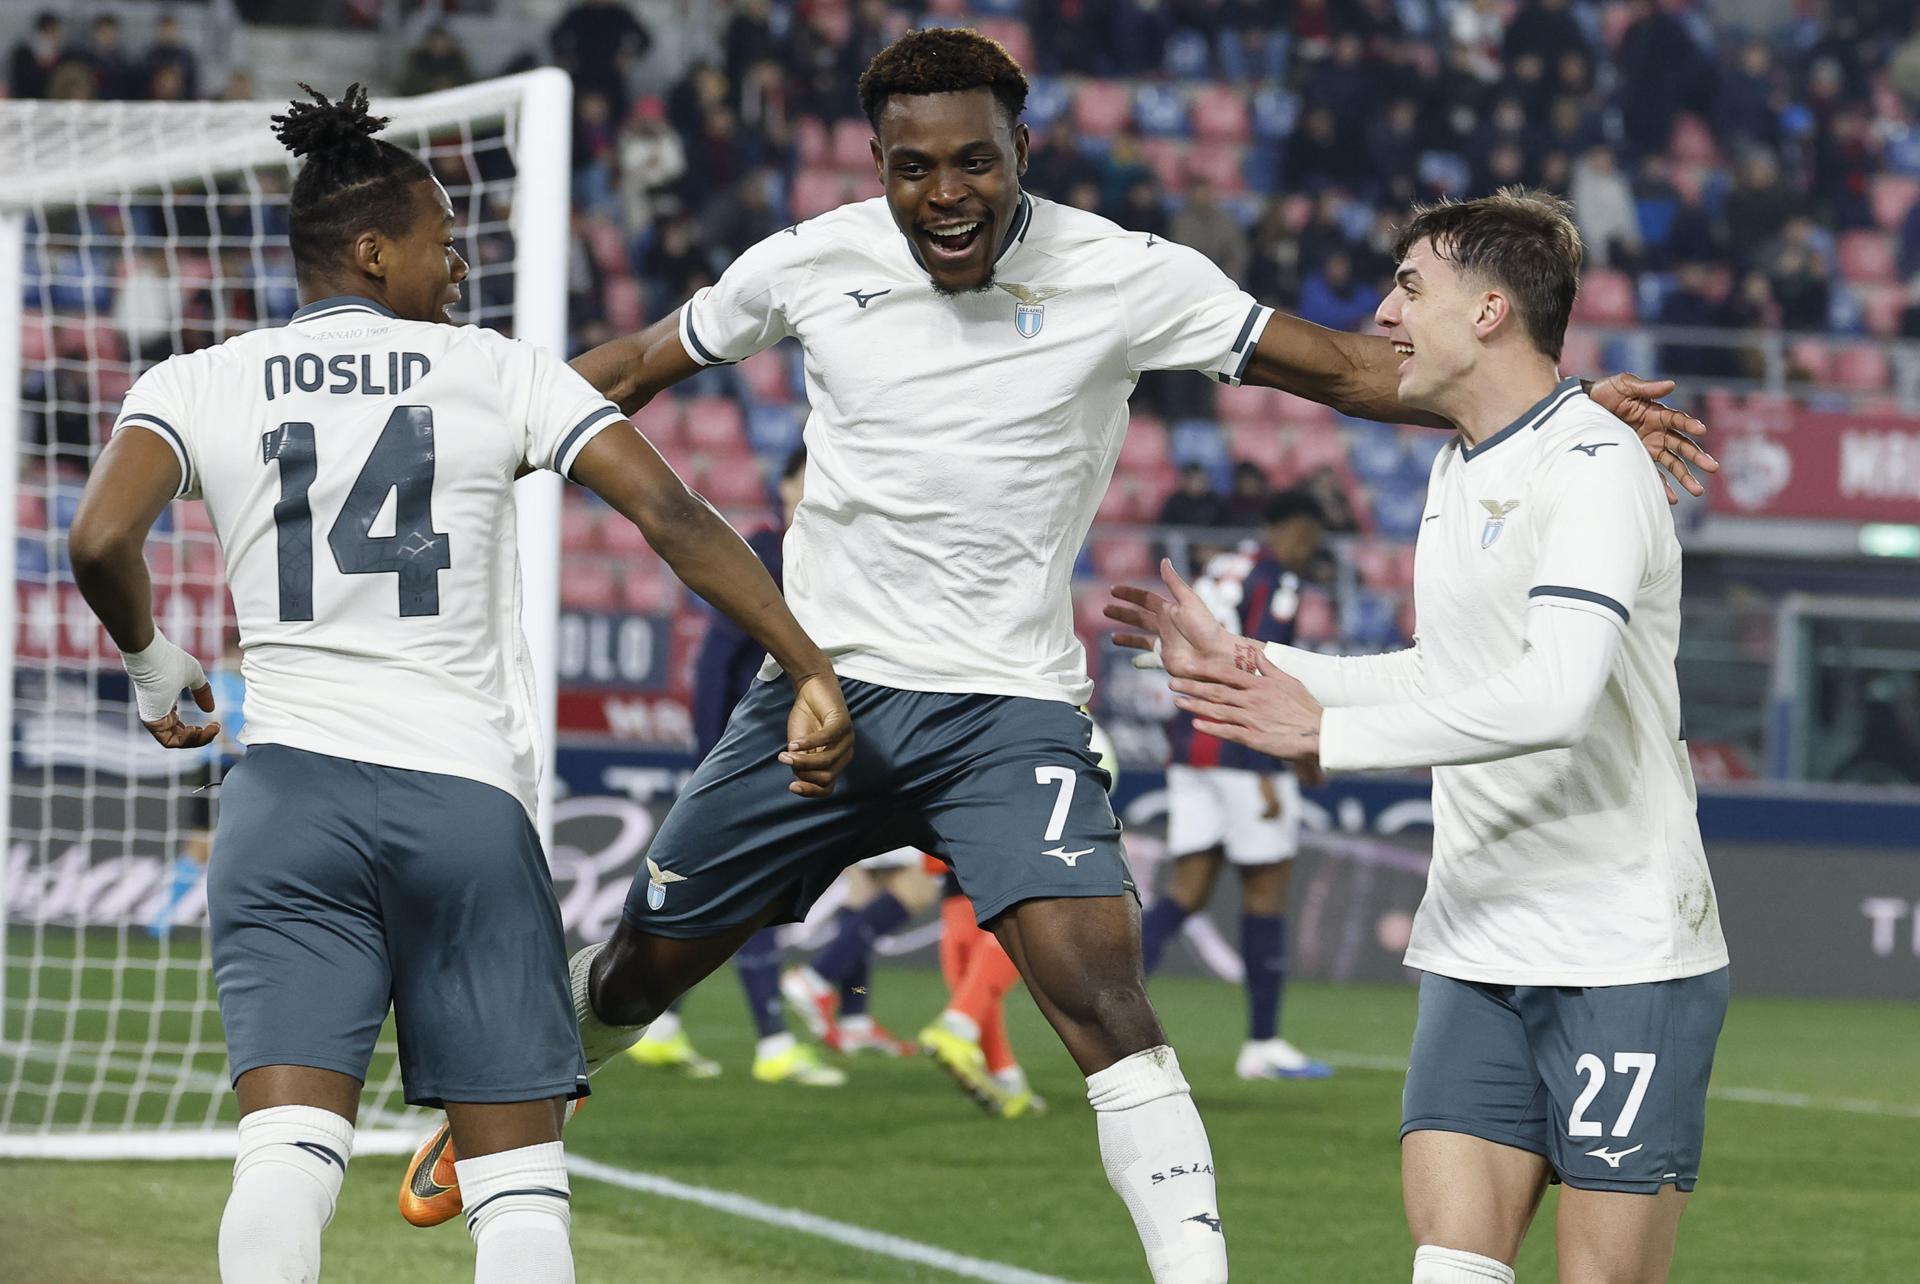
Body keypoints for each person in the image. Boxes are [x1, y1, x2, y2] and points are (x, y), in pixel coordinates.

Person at [402, 32, 1717, 1284]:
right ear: (878, 167)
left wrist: (1545, 408)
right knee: (641, 967)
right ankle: (504, 1101)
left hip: (1010, 711)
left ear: (1021, 148)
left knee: (1100, 994)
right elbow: (628, 365)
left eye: (974, 160)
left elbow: (1353, 374)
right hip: (824, 690)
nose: (946, 192)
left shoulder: (1130, 275)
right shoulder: (807, 263)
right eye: (914, 167)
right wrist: (463, 426)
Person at [67, 84, 850, 1284]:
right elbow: (674, 515)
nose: (461, 264)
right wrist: (806, 664)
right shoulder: (497, 372)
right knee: (519, 1193)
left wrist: (152, 660)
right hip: (462, 809)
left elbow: (98, 540)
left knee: (284, 1155)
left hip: (287, 809)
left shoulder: (200, 381)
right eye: (443, 241)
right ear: (374, 253)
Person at [1109, 189, 1729, 1284]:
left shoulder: (1595, 467)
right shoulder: (1459, 468)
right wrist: (1247, 661)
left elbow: (1555, 699)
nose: (1383, 315)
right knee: (1448, 1271)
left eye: (1409, 287)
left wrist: (1332, 740)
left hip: (1622, 952)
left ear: (1490, 310)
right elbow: (1446, 675)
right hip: (1477, 942)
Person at [627, 445, 855, 1086]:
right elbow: (713, 666)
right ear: (783, 486)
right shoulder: (769, 552)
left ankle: (663, 1024)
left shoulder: (826, 558)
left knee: (741, 888)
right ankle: (775, 1042)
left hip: (784, 746)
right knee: (754, 887)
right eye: (807, 476)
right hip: (747, 749)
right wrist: (714, 752)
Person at [1137, 491, 1333, 1082]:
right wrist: (1286, 756)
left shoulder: (1222, 568)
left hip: (1189, 745)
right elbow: (1262, 666)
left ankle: (1102, 1012)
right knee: (1266, 892)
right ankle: (1263, 1044)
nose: (1311, 551)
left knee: (1186, 892)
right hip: (1244, 752)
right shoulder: (1275, 580)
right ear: (1291, 526)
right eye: (1309, 539)